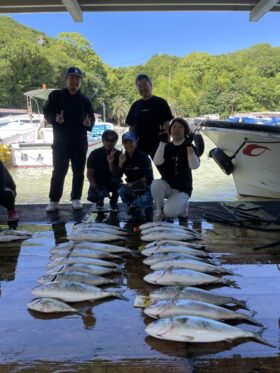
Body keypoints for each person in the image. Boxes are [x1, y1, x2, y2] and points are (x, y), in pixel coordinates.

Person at [43, 67, 95, 212]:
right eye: (71, 77)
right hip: (60, 142)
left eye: (78, 78)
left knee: (78, 172)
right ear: (66, 79)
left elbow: (92, 118)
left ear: (80, 81)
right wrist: (55, 118)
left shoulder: (85, 100)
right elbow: (46, 112)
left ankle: (76, 198)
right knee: (59, 171)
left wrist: (89, 124)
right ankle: (54, 201)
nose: (75, 81)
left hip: (80, 142)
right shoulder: (56, 96)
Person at [151, 117, 200, 221]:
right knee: (155, 183)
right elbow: (157, 162)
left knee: (169, 212)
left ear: (185, 131)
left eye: (180, 127)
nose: (176, 130)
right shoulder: (166, 146)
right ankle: (159, 210)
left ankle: (183, 207)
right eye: (174, 127)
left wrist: (188, 146)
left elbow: (194, 166)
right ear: (170, 130)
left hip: (183, 190)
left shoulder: (190, 147)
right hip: (168, 186)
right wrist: (162, 143)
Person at [125, 74, 173, 159]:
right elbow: (131, 127)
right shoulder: (135, 105)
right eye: (139, 86)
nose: (142, 88)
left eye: (145, 85)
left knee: (165, 171)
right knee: (143, 172)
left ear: (151, 85)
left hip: (159, 145)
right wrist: (131, 145)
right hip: (139, 146)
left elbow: (167, 124)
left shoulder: (161, 102)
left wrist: (168, 143)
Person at [116, 132, 153, 215]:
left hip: (145, 185)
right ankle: (132, 204)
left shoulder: (144, 157)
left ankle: (144, 205)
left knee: (143, 204)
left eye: (131, 142)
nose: (128, 145)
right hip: (131, 187)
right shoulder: (123, 156)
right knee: (120, 189)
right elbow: (116, 177)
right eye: (126, 142)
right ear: (123, 144)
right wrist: (120, 164)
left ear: (136, 142)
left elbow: (149, 177)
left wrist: (133, 183)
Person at [87, 129, 121, 211]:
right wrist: (98, 188)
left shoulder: (119, 154)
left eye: (112, 140)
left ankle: (114, 202)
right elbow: (89, 175)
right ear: (102, 140)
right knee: (92, 196)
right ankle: (99, 200)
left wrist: (111, 163)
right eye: (107, 140)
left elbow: (117, 175)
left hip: (112, 181)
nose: (109, 142)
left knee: (117, 182)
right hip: (98, 182)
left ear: (116, 141)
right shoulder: (94, 154)